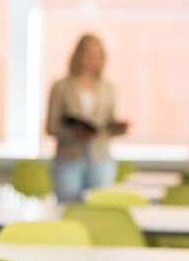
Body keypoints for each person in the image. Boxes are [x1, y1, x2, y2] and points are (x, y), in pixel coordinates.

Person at [46, 33, 128, 203]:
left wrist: (116, 128)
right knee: (68, 209)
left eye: (97, 54)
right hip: (68, 159)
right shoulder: (61, 87)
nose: (92, 58)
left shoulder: (108, 88)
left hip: (100, 158)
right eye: (88, 53)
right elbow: (51, 126)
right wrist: (74, 132)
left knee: (97, 210)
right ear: (78, 54)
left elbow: (108, 123)